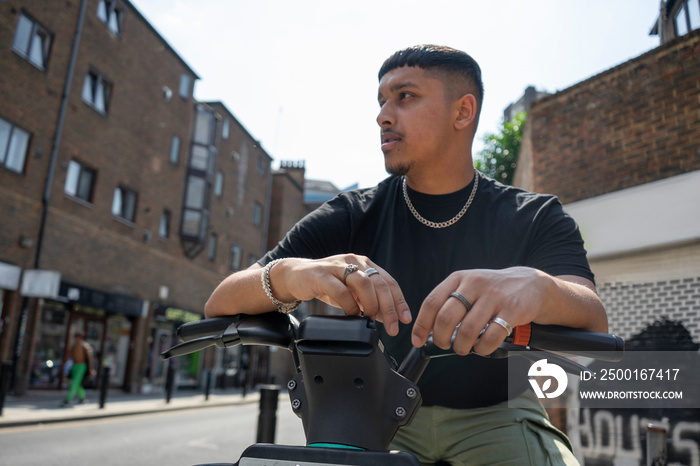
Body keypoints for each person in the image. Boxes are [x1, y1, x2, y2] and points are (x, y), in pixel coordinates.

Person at [205, 45, 607, 465]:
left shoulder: (535, 215)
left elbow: (593, 321)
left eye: (405, 96)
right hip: (376, 417)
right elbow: (220, 300)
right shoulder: (350, 214)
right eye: (381, 101)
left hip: (499, 416)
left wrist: (539, 287)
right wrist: (289, 275)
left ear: (462, 112)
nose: (383, 115)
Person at [61, 332, 95, 407]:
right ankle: (83, 398)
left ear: (80, 338)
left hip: (82, 366)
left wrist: (90, 369)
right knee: (78, 384)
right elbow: (69, 356)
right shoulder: (74, 346)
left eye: (77, 338)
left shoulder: (85, 346)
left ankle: (68, 399)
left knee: (74, 383)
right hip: (75, 365)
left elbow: (89, 359)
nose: (76, 340)